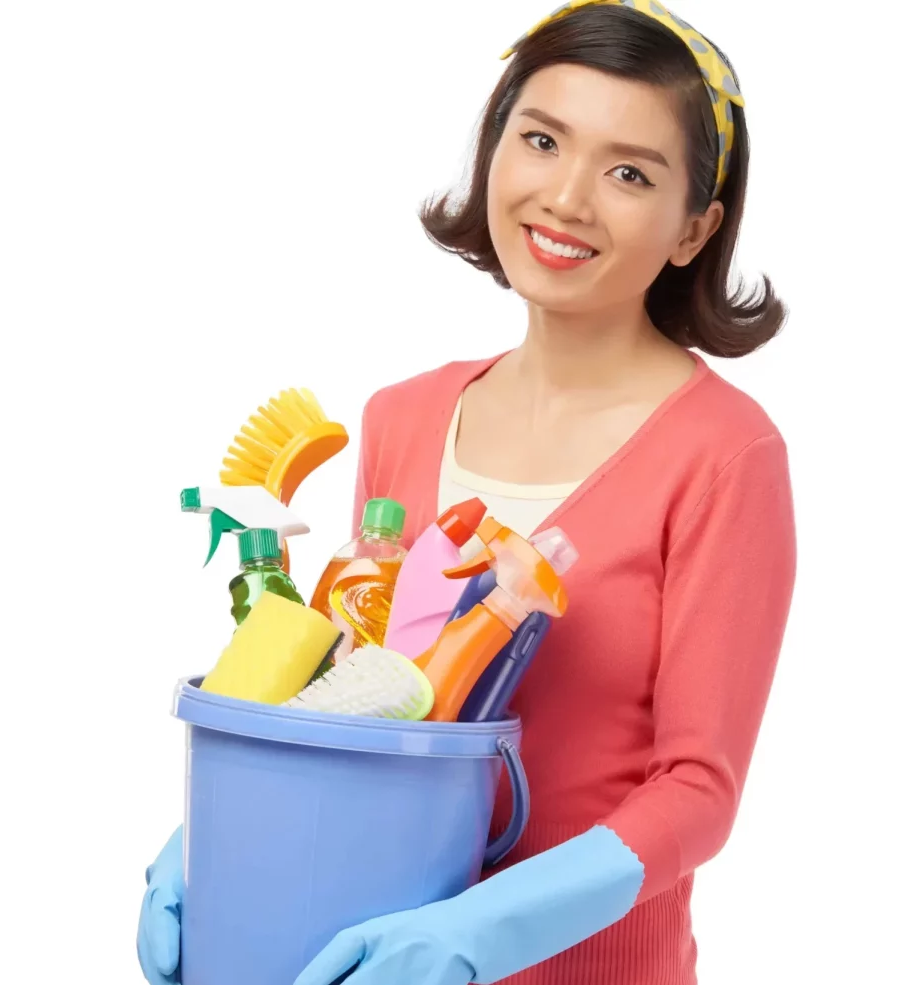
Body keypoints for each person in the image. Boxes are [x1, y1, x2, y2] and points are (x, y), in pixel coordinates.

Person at [137, 2, 797, 983]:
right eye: (540, 140)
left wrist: (490, 928)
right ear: (494, 152)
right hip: (343, 950)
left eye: (628, 172)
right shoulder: (402, 415)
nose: (567, 197)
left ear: (695, 227)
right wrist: (208, 842)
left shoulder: (723, 454)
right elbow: (354, 694)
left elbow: (697, 787)